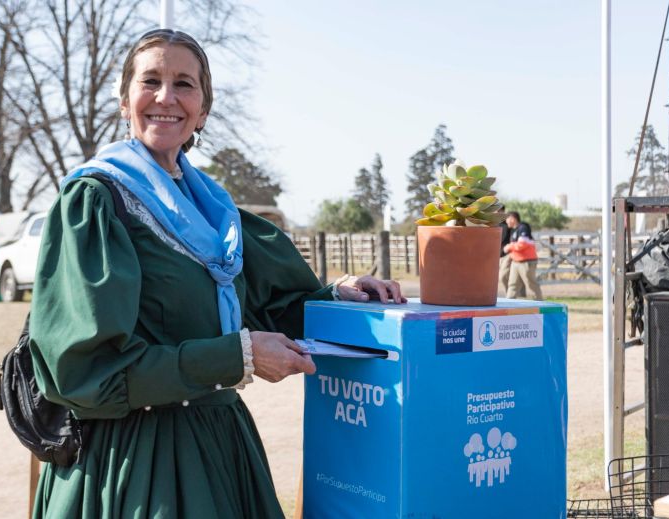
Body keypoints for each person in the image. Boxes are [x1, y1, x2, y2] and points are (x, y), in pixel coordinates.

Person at [28, 29, 406, 519]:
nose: (166, 97)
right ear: (125, 102)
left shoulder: (215, 212)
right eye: (151, 81)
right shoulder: (96, 202)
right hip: (132, 465)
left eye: (184, 84)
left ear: (202, 110)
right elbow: (86, 373)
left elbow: (266, 313)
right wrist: (237, 356)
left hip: (219, 446)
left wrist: (337, 296)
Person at [503, 211, 543, 300]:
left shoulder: (523, 228)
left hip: (526, 262)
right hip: (516, 262)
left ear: (513, 218)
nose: (506, 222)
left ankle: (540, 304)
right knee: (512, 285)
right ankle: (508, 305)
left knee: (531, 284)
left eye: (507, 219)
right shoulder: (514, 230)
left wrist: (509, 246)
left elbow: (522, 244)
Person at [498, 204, 524, 297]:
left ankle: (509, 296)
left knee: (503, 276)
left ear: (502, 211)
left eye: (498, 211)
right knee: (505, 277)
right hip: (498, 255)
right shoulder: (494, 224)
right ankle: (511, 295)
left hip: (507, 254)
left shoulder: (508, 224)